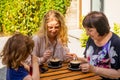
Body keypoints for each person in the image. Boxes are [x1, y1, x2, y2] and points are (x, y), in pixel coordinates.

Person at [79, 11, 120, 80]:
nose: (87, 33)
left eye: (90, 30)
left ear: (101, 28)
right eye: (86, 30)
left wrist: (94, 69)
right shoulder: (91, 39)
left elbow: (118, 74)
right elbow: (90, 60)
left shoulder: (116, 43)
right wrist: (77, 58)